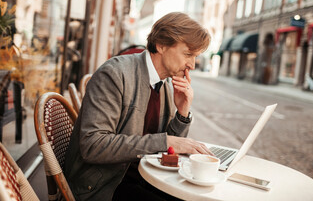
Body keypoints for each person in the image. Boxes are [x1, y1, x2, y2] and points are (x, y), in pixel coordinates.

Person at [64, 12, 212, 200]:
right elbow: (93, 145)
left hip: (140, 178)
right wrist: (166, 141)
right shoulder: (114, 74)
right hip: (102, 186)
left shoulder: (165, 85)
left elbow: (168, 152)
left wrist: (182, 113)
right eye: (188, 54)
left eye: (195, 56)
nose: (192, 64)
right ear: (161, 45)